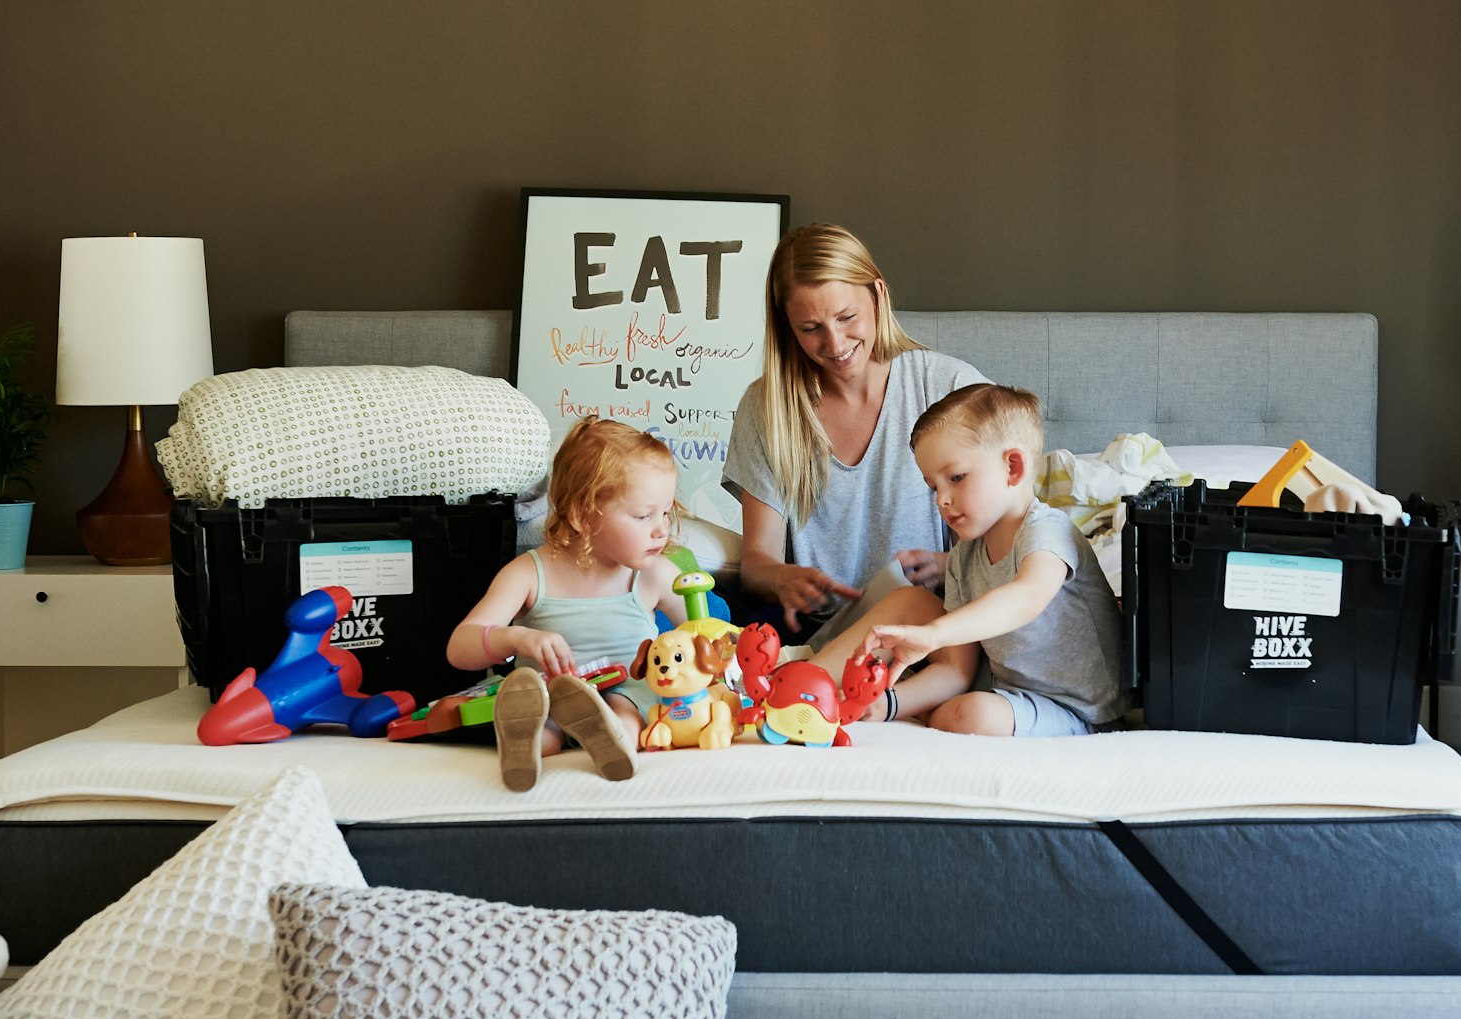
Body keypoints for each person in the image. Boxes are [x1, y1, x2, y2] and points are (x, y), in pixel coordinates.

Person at [722, 223, 990, 719]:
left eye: (848, 317)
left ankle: (800, 698)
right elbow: (757, 561)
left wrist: (951, 564)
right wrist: (783, 577)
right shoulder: (767, 407)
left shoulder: (948, 387)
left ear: (878, 295)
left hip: (925, 629)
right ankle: (798, 692)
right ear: (786, 326)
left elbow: (1007, 539)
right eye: (810, 329)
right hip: (815, 627)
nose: (835, 342)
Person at [852, 383, 1129, 737]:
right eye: (933, 486)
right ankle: (825, 685)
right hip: (1012, 695)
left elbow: (1026, 598)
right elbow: (957, 669)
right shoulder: (964, 558)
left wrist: (934, 633)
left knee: (973, 714)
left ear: (1013, 467)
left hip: (1082, 711)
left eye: (956, 478)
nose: (941, 500)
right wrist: (888, 704)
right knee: (959, 702)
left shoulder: (1047, 531)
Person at [447, 417, 688, 790]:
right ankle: (525, 746)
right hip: (550, 693)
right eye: (644, 516)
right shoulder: (528, 573)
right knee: (544, 718)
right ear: (582, 515)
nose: (661, 529)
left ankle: (612, 740)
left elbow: (705, 633)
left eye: (666, 512)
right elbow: (460, 648)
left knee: (626, 706)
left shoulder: (654, 574)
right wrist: (517, 639)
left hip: (626, 688)